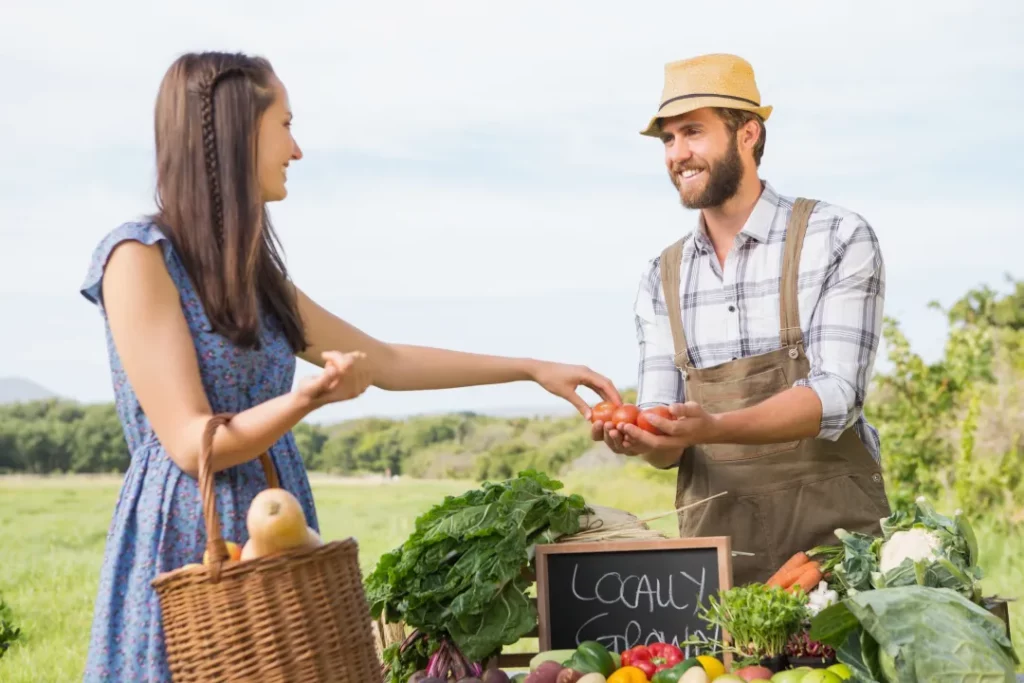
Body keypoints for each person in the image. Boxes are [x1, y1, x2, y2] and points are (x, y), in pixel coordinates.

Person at [80, 51, 620, 681]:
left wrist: (532, 369)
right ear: (234, 130)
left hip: (276, 534)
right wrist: (308, 399)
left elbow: (385, 361)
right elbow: (191, 442)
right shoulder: (137, 258)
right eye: (284, 125)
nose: (297, 149)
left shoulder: (255, 278)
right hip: (188, 536)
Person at [591, 53, 891, 586]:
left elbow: (838, 395)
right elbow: (668, 447)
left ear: (748, 133)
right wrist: (639, 436)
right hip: (719, 560)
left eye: (693, 133)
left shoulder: (836, 236)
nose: (678, 154)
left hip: (835, 555)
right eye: (667, 139)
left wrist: (717, 426)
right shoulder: (661, 277)